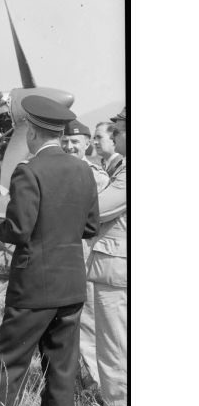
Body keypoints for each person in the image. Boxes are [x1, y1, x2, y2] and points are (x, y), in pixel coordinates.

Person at [0, 95, 99, 406]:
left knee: (7, 363)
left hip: (33, 288)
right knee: (61, 372)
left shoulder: (28, 172)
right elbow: (91, 226)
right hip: (71, 286)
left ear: (31, 131)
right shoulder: (83, 170)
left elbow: (17, 229)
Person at [62, 119, 110, 391]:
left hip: (87, 257)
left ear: (87, 143)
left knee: (89, 322)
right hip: (63, 259)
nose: (69, 146)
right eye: (65, 141)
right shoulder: (57, 170)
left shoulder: (96, 175)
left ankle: (96, 386)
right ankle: (79, 381)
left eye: (75, 142)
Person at [87, 107, 127, 406]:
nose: (116, 135)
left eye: (121, 129)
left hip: (114, 268)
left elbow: (96, 210)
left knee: (113, 347)